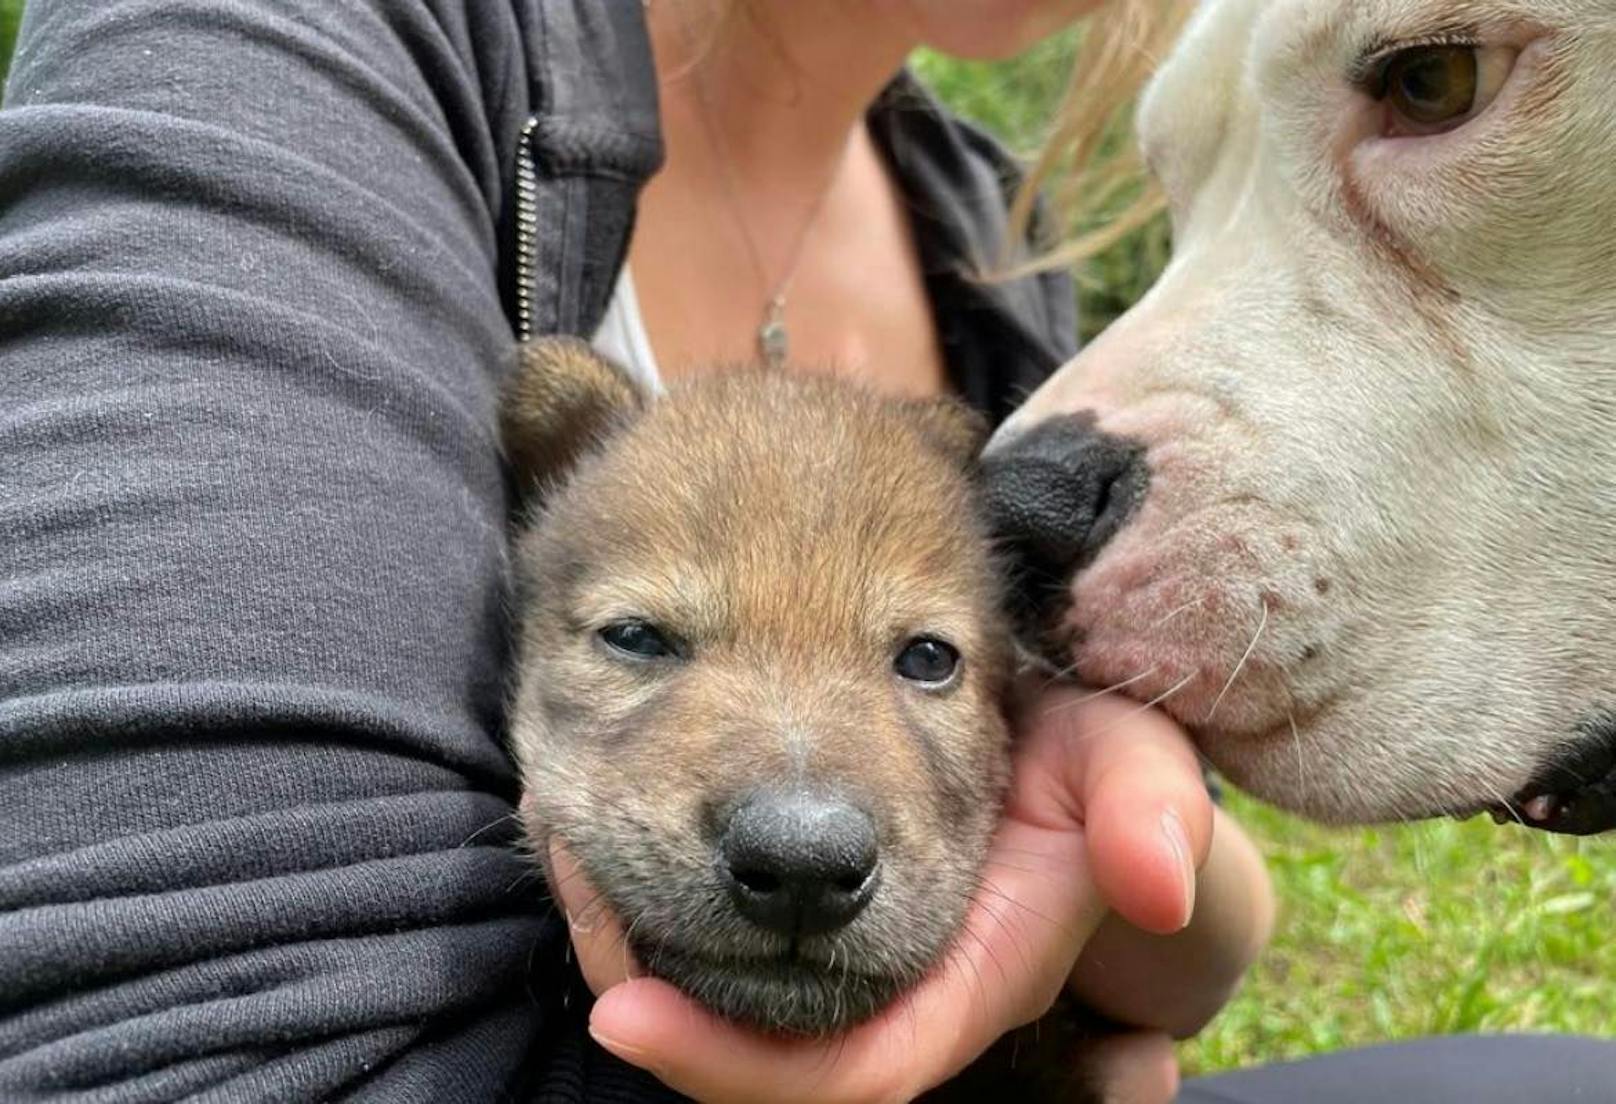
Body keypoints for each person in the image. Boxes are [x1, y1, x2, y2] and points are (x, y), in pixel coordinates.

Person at [1, 3, 1609, 1103]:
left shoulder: (987, 253)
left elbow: (1176, 961)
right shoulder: (302, 52)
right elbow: (151, 1049)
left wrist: (1093, 843)